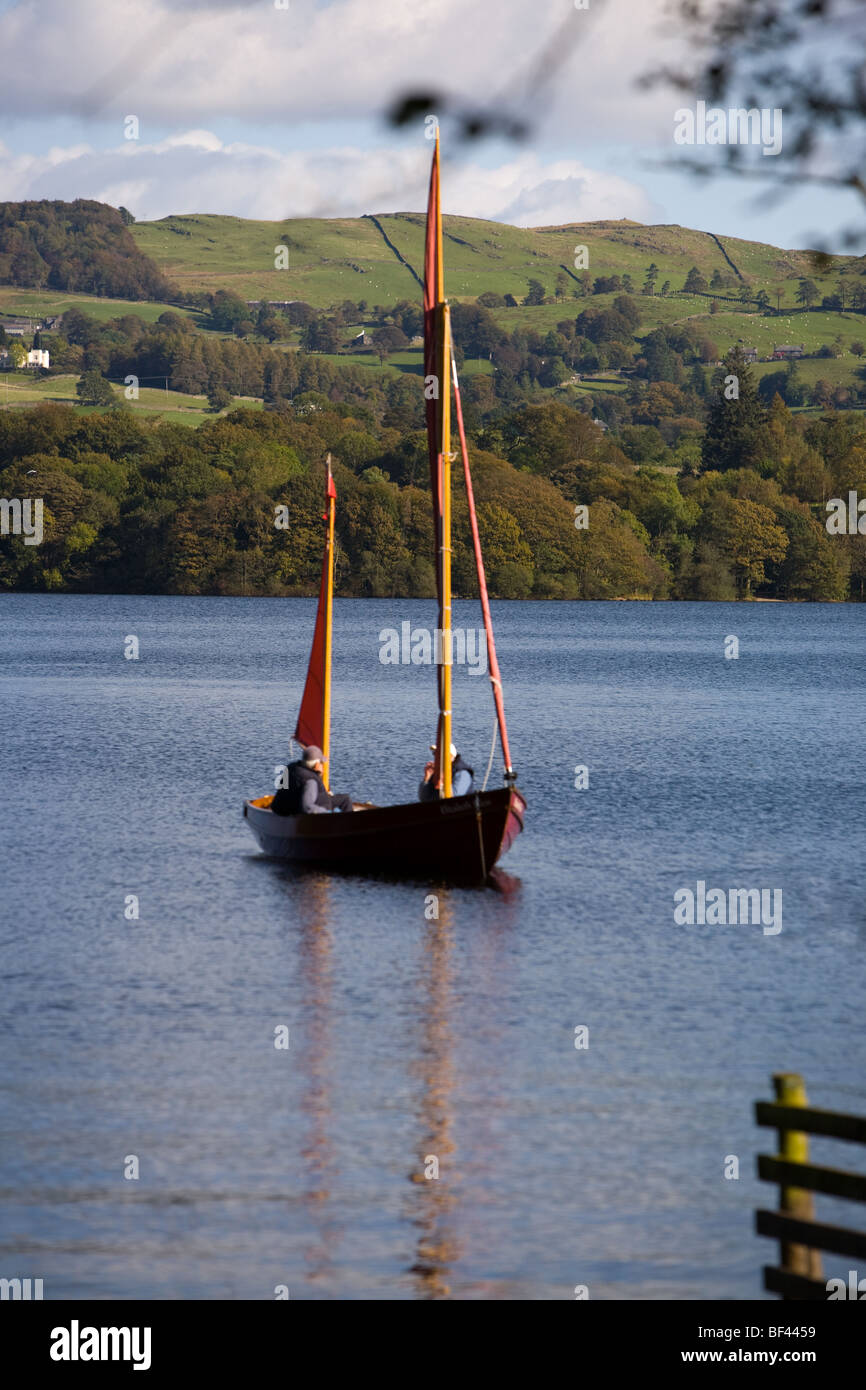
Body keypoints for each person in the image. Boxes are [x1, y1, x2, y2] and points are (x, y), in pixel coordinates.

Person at [271, 745, 354, 815]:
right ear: (317, 764)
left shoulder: (291, 768)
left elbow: (284, 792)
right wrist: (329, 812)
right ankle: (348, 827)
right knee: (346, 800)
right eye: (321, 762)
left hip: (283, 809)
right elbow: (307, 807)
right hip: (313, 814)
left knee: (343, 799)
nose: (322, 765)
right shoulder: (310, 781)